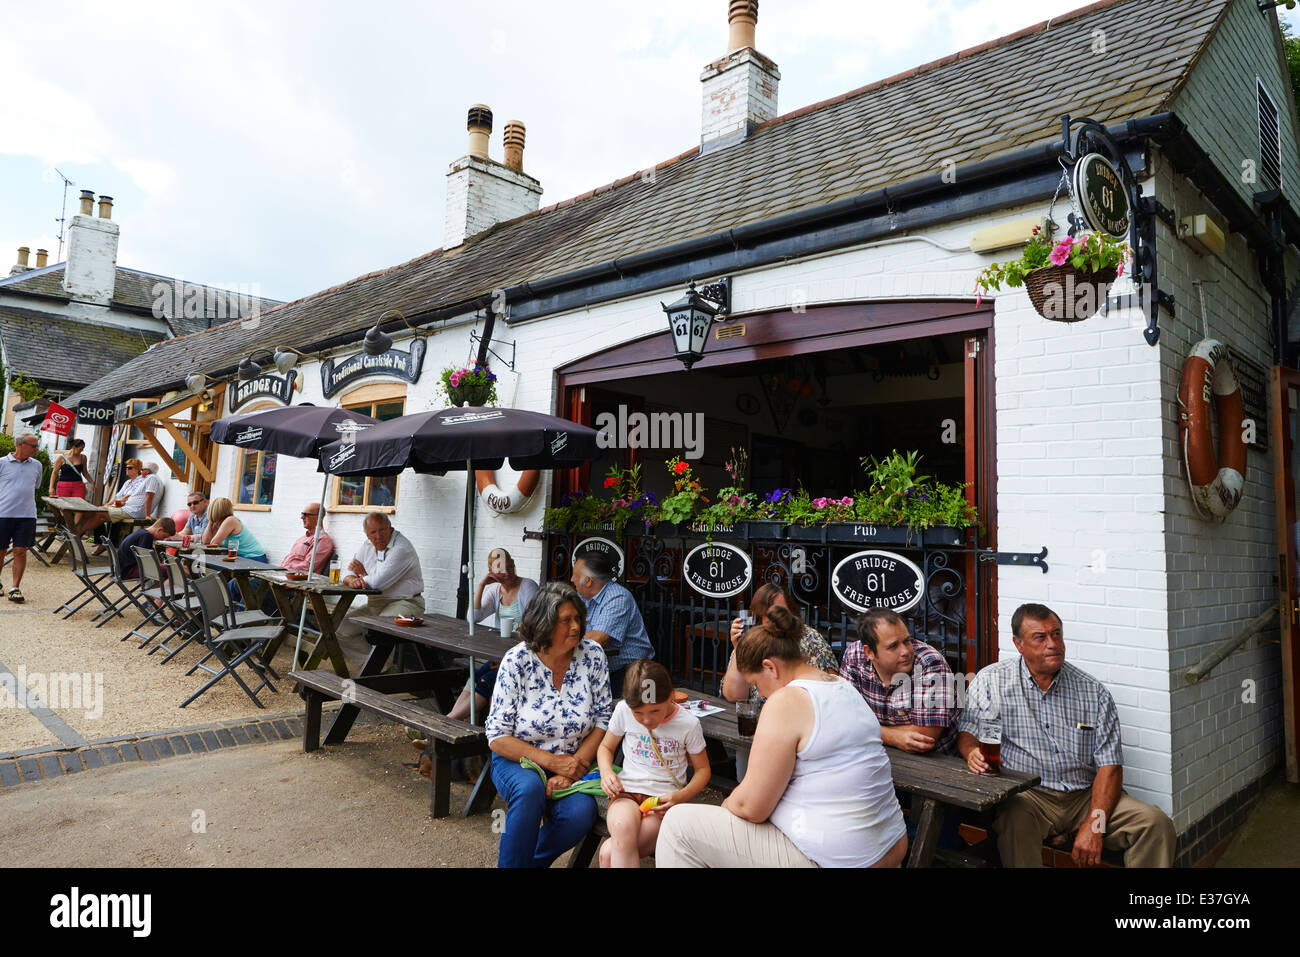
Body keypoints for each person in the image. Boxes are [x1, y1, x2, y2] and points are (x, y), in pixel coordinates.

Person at [656, 606, 908, 868]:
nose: (760, 693)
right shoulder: (843, 686)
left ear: (770, 667)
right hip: (887, 848)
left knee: (678, 825)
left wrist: (728, 805)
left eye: (756, 683)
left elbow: (752, 807)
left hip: (837, 860)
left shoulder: (787, 700)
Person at [957, 602, 1176, 868]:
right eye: (1040, 637)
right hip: (1029, 795)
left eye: (1057, 634)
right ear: (1019, 644)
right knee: (1014, 819)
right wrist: (972, 753)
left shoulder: (1093, 692)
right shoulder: (991, 681)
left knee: (1155, 824)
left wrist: (1095, 825)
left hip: (1086, 796)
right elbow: (967, 732)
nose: (1053, 643)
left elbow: (1110, 767)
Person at [486, 581, 613, 868]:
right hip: (518, 759)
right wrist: (553, 763)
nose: (575, 627)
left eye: (578, 618)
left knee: (580, 813)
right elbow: (496, 736)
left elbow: (604, 720)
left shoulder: (592, 655)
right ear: (544, 624)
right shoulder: (517, 661)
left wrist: (573, 767)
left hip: (573, 762)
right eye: (565, 620)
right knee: (529, 790)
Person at [596, 659, 710, 868]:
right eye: (638, 713)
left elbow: (703, 770)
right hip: (626, 792)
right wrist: (606, 772)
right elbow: (605, 748)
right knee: (621, 826)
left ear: (671, 697)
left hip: (662, 802)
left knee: (608, 853)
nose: (647, 720)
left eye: (655, 711)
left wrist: (680, 797)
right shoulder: (622, 710)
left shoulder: (688, 724)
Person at [840, 608, 958, 753]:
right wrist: (892, 737)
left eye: (907, 641)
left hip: (938, 762)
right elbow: (844, 719)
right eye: (893, 646)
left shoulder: (930, 663)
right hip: (876, 752)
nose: (906, 651)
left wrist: (865, 729)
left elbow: (924, 738)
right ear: (869, 652)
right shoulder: (854, 656)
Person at [450, 548, 540, 723]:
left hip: (523, 656)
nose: (507, 572)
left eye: (510, 567)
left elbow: (533, 625)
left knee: (486, 681)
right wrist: (482, 585)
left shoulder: (527, 586)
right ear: (492, 572)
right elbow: (472, 618)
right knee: (474, 677)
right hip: (499, 654)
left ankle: (448, 721)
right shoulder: (495, 590)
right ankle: (450, 721)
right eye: (501, 570)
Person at [334, 513, 425, 668]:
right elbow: (347, 573)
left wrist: (362, 575)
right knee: (341, 630)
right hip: (377, 603)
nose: (378, 536)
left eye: (382, 530)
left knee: (380, 629)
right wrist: (353, 580)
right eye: (373, 532)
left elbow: (377, 583)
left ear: (390, 528)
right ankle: (375, 669)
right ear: (367, 534)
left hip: (406, 602)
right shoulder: (367, 545)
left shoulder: (401, 548)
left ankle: (376, 670)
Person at [721, 583, 837, 703]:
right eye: (769, 613)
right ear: (760, 616)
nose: (776, 617)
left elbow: (831, 690)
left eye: (781, 611)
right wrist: (739, 648)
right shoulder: (753, 639)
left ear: (791, 612)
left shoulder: (809, 638)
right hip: (753, 715)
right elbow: (733, 695)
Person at [569, 554, 655, 693]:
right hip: (600, 667)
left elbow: (598, 639)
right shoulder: (582, 596)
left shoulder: (618, 597)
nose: (572, 579)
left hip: (632, 672)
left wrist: (558, 640)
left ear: (588, 581)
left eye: (575, 576)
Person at [0, 433, 44, 603]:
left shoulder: (37, 465)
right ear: (20, 445)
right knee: (0, 551)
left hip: (27, 515)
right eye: (33, 446)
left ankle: (15, 588)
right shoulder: (2, 463)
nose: (36, 449)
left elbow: (36, 486)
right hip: (3, 513)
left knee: (20, 551)